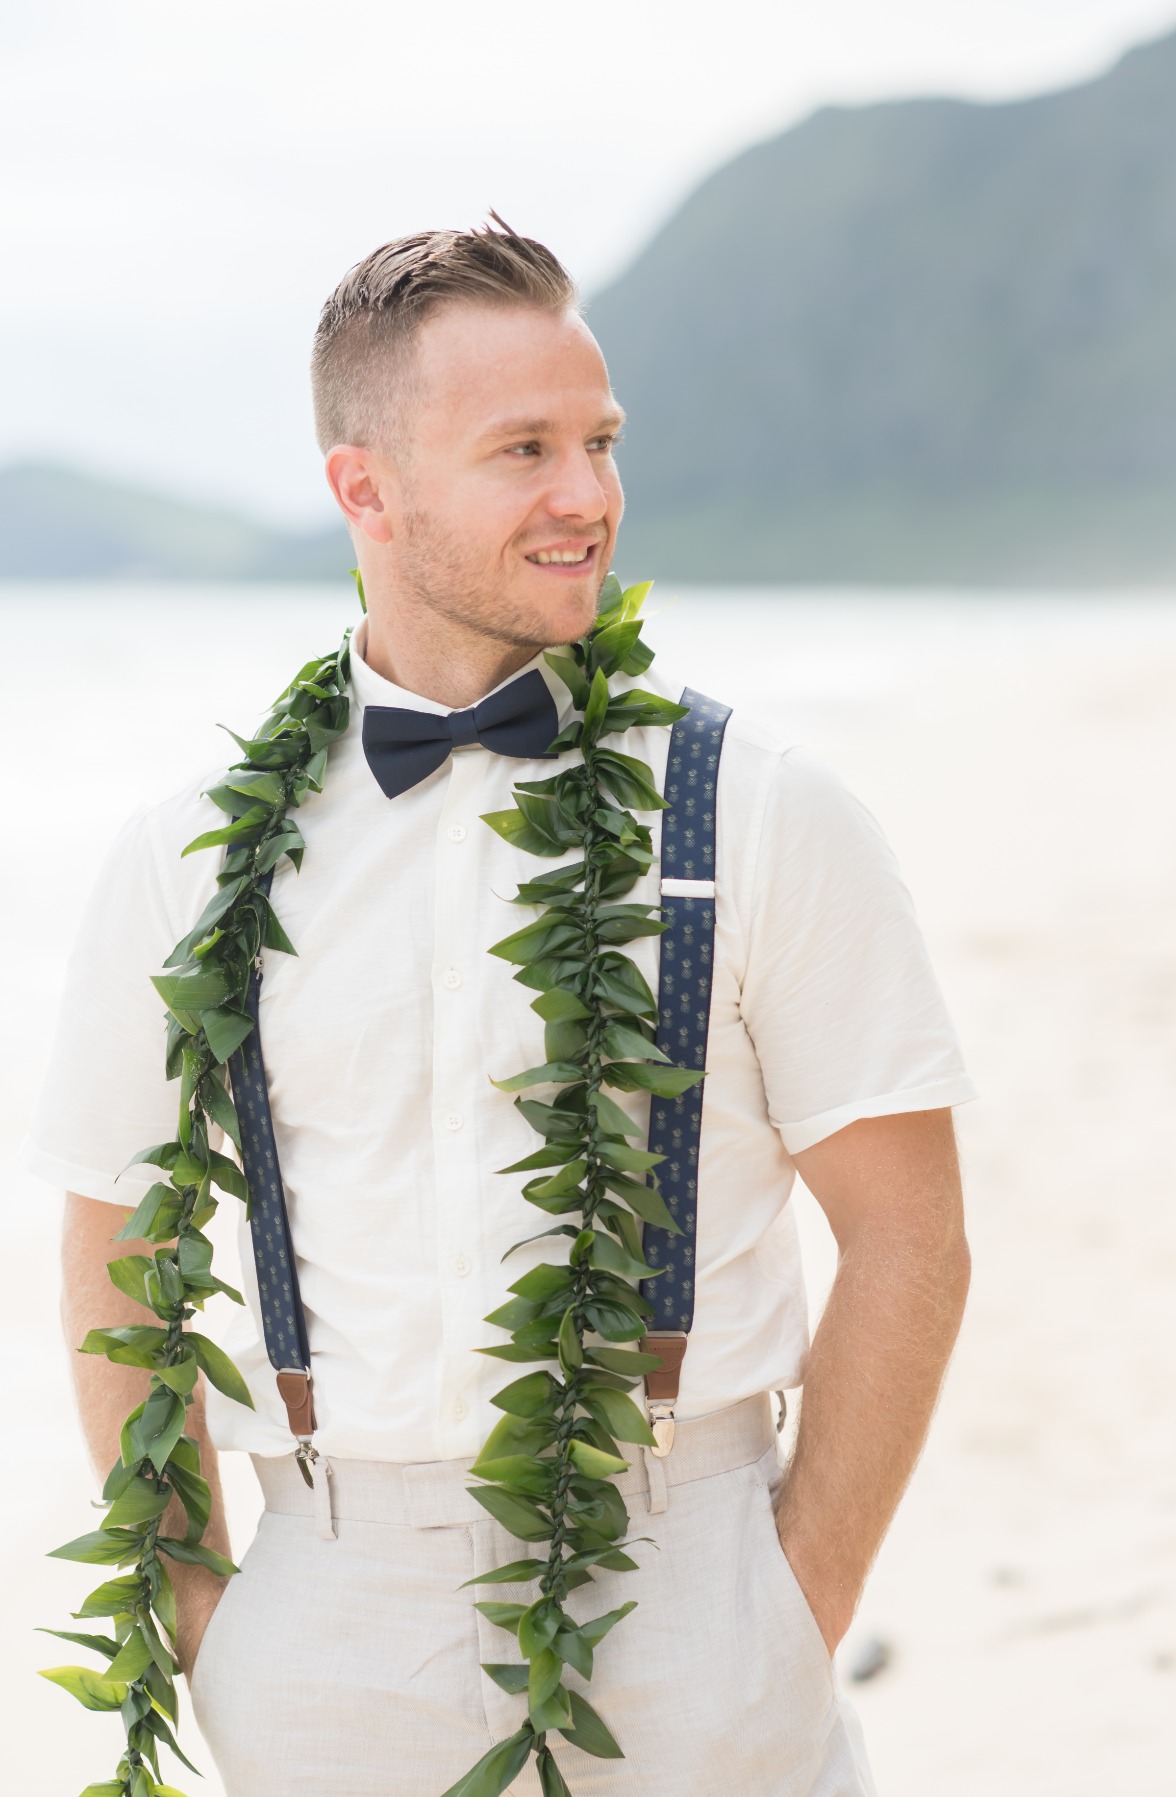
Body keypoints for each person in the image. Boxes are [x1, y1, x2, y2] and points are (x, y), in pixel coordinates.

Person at [25, 220, 975, 1796]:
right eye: (522, 449)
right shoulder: (184, 854)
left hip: (696, 1586)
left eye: (598, 441)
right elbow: (112, 1238)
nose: (587, 494)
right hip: (330, 1597)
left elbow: (911, 1229)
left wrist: (798, 1603)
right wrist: (208, 1617)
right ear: (366, 491)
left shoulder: (762, 809)